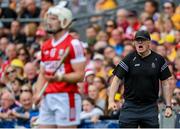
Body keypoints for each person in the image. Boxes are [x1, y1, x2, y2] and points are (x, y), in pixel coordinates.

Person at [33, 5, 86, 128]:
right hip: (47, 97)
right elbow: (42, 73)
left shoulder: (74, 44)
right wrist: (38, 93)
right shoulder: (46, 45)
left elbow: (80, 75)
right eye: (48, 18)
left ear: (64, 21)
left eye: (53, 19)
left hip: (66, 97)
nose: (48, 22)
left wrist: (60, 77)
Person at [108, 30, 173, 128]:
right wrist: (111, 101)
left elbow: (165, 83)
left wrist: (168, 106)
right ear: (134, 43)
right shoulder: (128, 59)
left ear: (149, 43)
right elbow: (116, 79)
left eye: (142, 40)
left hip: (150, 106)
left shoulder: (159, 60)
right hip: (130, 106)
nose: (139, 42)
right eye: (137, 40)